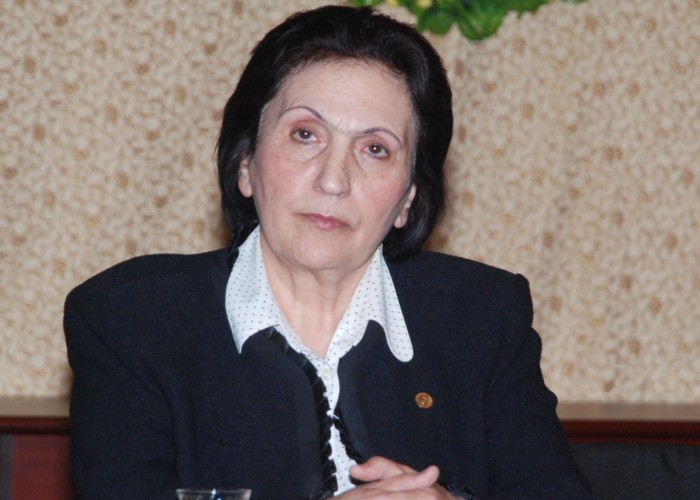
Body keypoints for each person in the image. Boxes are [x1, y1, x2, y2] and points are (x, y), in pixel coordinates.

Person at [64, 5, 592, 499]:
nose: (333, 180)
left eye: (375, 149)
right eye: (305, 135)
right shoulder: (133, 319)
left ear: (409, 197)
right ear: (246, 162)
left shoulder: (481, 316)